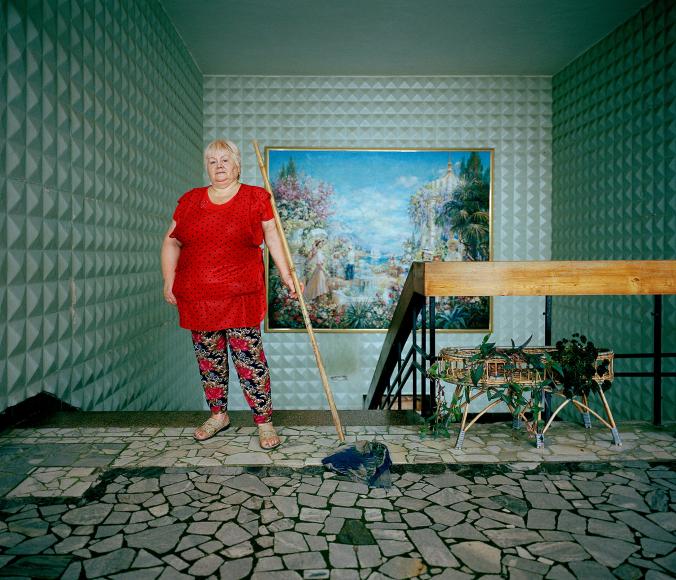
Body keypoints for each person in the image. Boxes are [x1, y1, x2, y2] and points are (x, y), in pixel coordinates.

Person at [161, 140, 298, 449]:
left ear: (237, 165)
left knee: (249, 359)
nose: (219, 165)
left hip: (240, 296)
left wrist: (287, 274)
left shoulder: (255, 197)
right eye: (212, 161)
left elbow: (273, 235)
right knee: (209, 360)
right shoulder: (190, 200)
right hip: (198, 296)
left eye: (225, 160)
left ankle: (264, 421)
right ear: (206, 167)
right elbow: (171, 241)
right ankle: (218, 415)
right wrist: (168, 278)